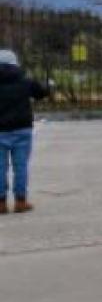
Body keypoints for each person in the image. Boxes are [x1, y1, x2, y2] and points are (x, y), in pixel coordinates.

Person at [0, 49, 51, 214]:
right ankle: (20, 201)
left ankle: (1, 203)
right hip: (22, 129)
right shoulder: (25, 81)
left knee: (0, 167)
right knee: (20, 166)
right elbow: (41, 94)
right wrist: (48, 86)